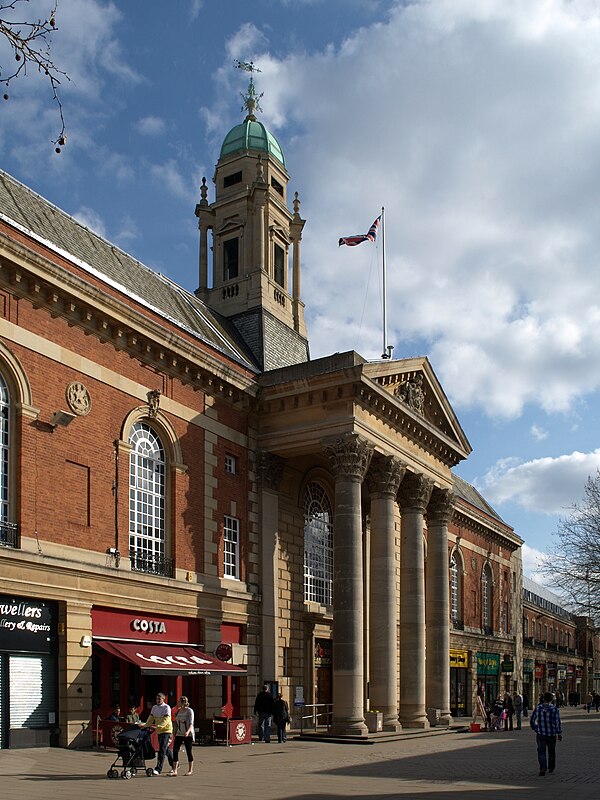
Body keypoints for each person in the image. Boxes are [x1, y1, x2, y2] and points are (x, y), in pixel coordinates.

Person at [530, 691, 562, 776]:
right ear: (552, 700)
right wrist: (559, 733)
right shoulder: (555, 709)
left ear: (543, 699)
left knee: (541, 751)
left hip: (541, 734)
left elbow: (532, 719)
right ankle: (551, 767)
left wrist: (535, 728)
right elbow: (557, 722)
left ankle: (542, 768)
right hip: (551, 734)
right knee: (551, 751)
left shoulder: (538, 708)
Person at [142, 692, 174, 775]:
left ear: (163, 699)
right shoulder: (154, 707)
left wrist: (158, 726)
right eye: (157, 699)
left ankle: (158, 769)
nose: (158, 700)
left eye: (160, 699)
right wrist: (145, 725)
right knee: (165, 748)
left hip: (166, 730)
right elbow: (150, 718)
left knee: (162, 750)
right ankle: (174, 764)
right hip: (159, 730)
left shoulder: (167, 707)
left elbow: (166, 721)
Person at [170, 696, 194, 776]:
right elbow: (176, 723)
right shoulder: (179, 711)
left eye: (179, 702)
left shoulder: (189, 711)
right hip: (179, 733)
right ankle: (175, 770)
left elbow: (191, 723)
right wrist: (174, 733)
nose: (177, 703)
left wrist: (187, 732)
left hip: (187, 734)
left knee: (188, 751)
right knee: (175, 751)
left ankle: (190, 770)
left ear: (183, 702)